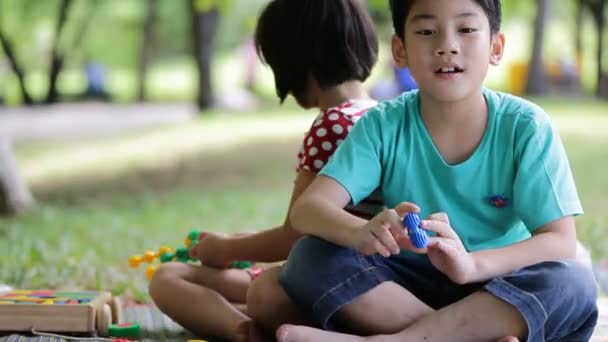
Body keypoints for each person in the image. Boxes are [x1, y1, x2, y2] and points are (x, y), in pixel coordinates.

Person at [271, 0, 599, 342]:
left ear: (496, 47)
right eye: (427, 32)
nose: (447, 46)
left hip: (500, 286)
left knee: (572, 282)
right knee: (309, 256)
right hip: (405, 288)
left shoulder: (526, 127)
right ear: (399, 51)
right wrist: (361, 231)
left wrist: (473, 265)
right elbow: (307, 211)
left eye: (467, 29)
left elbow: (560, 240)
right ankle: (467, 335)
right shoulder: (382, 125)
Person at [148, 0, 382, 340]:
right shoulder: (382, 117)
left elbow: (294, 236)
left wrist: (224, 250)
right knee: (233, 292)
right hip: (371, 286)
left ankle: (243, 332)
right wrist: (240, 241)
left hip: (322, 284)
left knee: (169, 277)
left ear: (293, 58)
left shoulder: (334, 124)